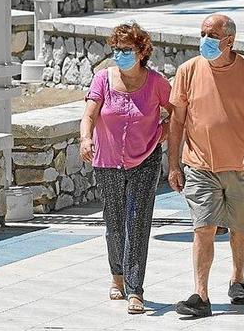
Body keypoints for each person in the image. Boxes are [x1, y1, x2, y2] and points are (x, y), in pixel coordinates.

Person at [169, 14, 244, 318]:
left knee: (240, 227)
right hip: (200, 164)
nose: (204, 40)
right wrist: (173, 165)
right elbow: (176, 121)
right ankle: (201, 295)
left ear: (230, 40)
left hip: (242, 166)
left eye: (211, 35)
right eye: (202, 33)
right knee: (203, 228)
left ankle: (237, 279)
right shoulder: (188, 71)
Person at [79, 23, 173, 315]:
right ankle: (116, 276)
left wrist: (164, 131)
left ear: (142, 51)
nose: (119, 54)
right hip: (107, 160)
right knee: (115, 222)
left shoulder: (156, 82)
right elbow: (90, 113)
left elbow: (178, 111)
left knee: (138, 221)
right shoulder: (103, 79)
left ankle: (136, 289)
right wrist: (85, 138)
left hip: (145, 160)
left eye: (126, 50)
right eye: (116, 49)